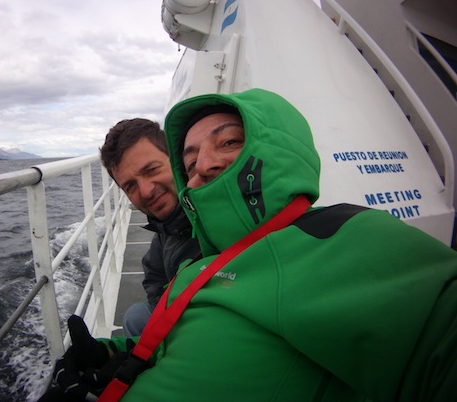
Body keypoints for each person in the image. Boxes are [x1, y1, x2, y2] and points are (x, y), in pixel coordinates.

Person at [41, 89, 457, 402]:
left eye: (229, 142)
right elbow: (177, 324)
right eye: (130, 185)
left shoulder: (345, 236)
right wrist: (120, 358)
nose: (204, 163)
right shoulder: (184, 260)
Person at [99, 118, 200, 336]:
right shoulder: (169, 225)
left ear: (176, 158)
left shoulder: (212, 216)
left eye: (152, 169)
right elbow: (154, 275)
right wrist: (164, 317)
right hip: (179, 321)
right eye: (130, 186)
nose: (145, 191)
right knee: (135, 316)